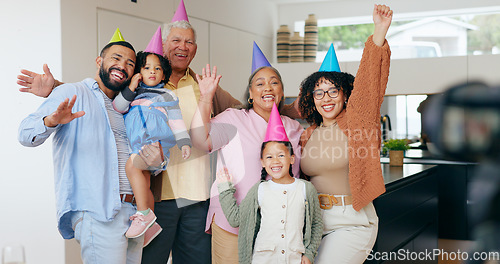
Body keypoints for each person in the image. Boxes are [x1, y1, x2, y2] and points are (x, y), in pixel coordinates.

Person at [16, 14, 299, 264]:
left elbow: (250, 107)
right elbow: (102, 93)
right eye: (176, 40)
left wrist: (296, 109)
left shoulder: (206, 86)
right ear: (164, 47)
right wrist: (56, 87)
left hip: (196, 199)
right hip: (156, 195)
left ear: (195, 50)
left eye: (189, 42)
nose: (182, 46)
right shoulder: (139, 84)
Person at [18, 38, 162, 263]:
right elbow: (25, 134)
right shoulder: (73, 92)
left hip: (135, 214)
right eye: (116, 58)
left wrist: (156, 162)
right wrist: (51, 121)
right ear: (99, 61)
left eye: (130, 63)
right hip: (100, 212)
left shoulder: (127, 107)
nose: (122, 66)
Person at [298, 4, 393, 263]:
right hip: (313, 224)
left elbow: (368, 85)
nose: (325, 98)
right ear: (311, 98)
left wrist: (379, 34)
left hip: (351, 222)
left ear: (345, 94)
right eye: (319, 92)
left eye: (333, 90)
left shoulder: (357, 123)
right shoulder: (307, 134)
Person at [190, 57, 304, 263]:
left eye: (274, 82)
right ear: (250, 94)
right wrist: (206, 97)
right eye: (259, 84)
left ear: (282, 92)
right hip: (232, 221)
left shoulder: (294, 127)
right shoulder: (233, 118)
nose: (267, 87)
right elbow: (199, 141)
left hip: (280, 226)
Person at [215, 103, 322, 264]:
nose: (276, 161)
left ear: (292, 159)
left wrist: (309, 254)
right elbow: (236, 219)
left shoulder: (305, 189)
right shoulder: (259, 190)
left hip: (294, 259)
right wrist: (224, 188)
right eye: (269, 157)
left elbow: (316, 224)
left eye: (281, 155)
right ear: (262, 162)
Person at [113, 48, 192, 240]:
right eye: (147, 67)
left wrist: (184, 142)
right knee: (144, 182)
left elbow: (176, 120)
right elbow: (118, 106)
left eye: (157, 68)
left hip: (156, 142)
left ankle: (144, 214)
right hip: (138, 143)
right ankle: (150, 225)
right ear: (139, 72)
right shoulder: (134, 94)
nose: (152, 71)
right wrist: (131, 86)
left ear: (164, 73)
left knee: (131, 167)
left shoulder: (166, 95)